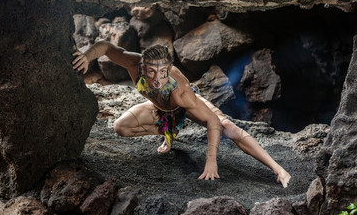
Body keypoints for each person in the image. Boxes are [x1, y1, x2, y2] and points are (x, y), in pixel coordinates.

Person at [72, 41, 291, 187]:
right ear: (142, 66)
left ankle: (278, 169)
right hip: (162, 109)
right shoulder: (133, 63)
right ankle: (170, 129)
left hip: (183, 106)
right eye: (151, 72)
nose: (157, 79)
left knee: (229, 129)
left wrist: (211, 161)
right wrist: (86, 56)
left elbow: (212, 121)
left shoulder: (180, 91)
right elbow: (107, 47)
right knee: (121, 127)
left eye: (163, 73)